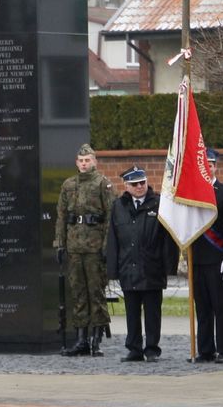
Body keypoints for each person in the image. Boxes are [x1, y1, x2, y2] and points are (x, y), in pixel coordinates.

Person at [106, 166, 177, 362]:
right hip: (128, 266)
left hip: (152, 266)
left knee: (153, 311)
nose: (140, 186)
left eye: (142, 182)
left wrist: (169, 266)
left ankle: (152, 348)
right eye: (135, 184)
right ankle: (134, 348)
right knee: (132, 311)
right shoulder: (118, 206)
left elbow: (168, 238)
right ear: (126, 186)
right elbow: (113, 238)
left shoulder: (159, 203)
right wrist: (112, 269)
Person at [54, 143, 113, 357]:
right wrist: (60, 243)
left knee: (96, 293)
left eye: (88, 160)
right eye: (81, 161)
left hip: (95, 247)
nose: (84, 163)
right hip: (74, 247)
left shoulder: (103, 184)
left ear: (95, 162)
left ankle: (96, 340)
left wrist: (107, 246)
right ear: (76, 163)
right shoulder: (69, 185)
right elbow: (61, 216)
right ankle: (81, 340)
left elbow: (110, 218)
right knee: (78, 292)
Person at [191, 148, 223, 363]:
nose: (207, 168)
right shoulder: (190, 192)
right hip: (197, 258)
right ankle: (205, 349)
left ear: (215, 166)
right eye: (204, 164)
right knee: (202, 307)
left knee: (221, 307)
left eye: (210, 164)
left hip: (218, 258)